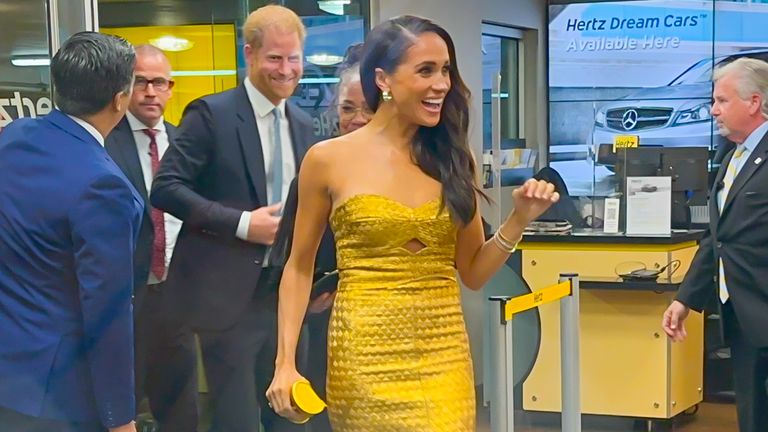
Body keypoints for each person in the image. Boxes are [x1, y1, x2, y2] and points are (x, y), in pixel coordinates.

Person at [266, 15, 559, 431]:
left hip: (445, 357)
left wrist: (518, 219)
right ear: (383, 79)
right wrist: (285, 363)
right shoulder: (328, 160)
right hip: (363, 356)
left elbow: (473, 273)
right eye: (426, 70)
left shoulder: (454, 160)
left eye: (445, 70)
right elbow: (298, 267)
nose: (441, 84)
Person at [150, 5, 317, 432]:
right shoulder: (212, 114)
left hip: (286, 297)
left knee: (291, 416)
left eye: (293, 58)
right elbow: (166, 188)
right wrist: (243, 224)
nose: (286, 70)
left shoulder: (303, 124)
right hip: (229, 301)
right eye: (275, 58)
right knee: (236, 419)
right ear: (250, 54)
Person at [0, 32, 140, 432]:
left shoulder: (15, 137)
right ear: (119, 98)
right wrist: (120, 417)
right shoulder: (104, 187)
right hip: (59, 397)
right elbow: (107, 311)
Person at [268, 43, 370, 432]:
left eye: (368, 109)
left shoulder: (418, 175)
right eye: (347, 109)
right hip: (325, 334)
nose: (357, 120)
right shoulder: (316, 172)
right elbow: (289, 264)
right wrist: (307, 305)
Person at [662, 57, 768, 432]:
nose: (713, 110)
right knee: (753, 417)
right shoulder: (730, 156)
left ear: (753, 102)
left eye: (722, 101)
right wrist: (684, 298)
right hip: (743, 317)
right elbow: (718, 238)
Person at [105, 44, 198, 431]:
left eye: (159, 83)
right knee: (122, 403)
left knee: (181, 407)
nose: (150, 92)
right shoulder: (105, 143)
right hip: (127, 297)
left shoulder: (186, 143)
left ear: (171, 88)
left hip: (178, 296)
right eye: (140, 82)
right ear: (125, 88)